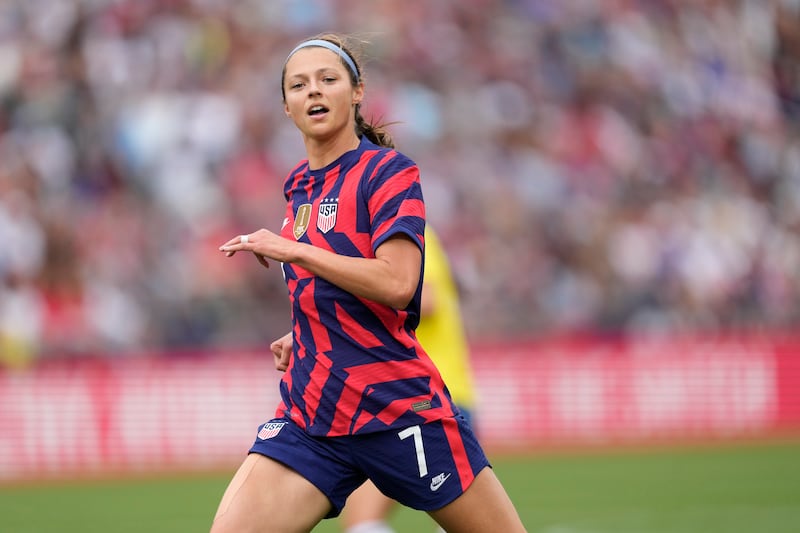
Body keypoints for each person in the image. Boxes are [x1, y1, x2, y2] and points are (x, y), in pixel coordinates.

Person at [213, 33, 526, 533]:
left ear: (356, 92)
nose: (313, 92)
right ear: (287, 107)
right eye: (299, 85)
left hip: (395, 407)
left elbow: (400, 284)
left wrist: (295, 250)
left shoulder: (389, 173)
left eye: (327, 79)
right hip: (313, 412)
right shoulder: (299, 186)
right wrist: (309, 332)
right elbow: (340, 286)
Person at [340, 225, 478, 533]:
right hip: (426, 395)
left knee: (363, 521)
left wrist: (351, 302)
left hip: (426, 397)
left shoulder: (402, 231)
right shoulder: (402, 231)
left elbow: (425, 299)